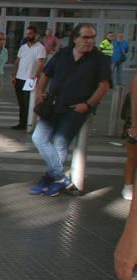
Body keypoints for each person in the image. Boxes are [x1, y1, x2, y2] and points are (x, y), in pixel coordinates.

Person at [29, 23, 110, 196]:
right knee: (39, 137)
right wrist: (40, 92)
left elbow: (104, 85)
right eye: (85, 37)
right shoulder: (63, 54)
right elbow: (46, 74)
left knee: (60, 143)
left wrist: (88, 105)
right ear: (75, 38)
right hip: (54, 105)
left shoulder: (99, 59)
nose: (89, 41)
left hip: (75, 109)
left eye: (92, 37)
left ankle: (48, 179)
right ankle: (60, 178)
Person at [11, 25, 47, 130]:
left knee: (28, 102)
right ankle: (21, 123)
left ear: (36, 35)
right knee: (21, 102)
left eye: (30, 33)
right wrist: (14, 75)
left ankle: (29, 123)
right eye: (27, 34)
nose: (28, 35)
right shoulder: (23, 47)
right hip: (19, 78)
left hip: (29, 79)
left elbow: (41, 64)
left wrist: (36, 76)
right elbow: (17, 61)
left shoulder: (40, 48)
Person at [122, 74, 137, 200]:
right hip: (135, 122)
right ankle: (128, 186)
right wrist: (134, 124)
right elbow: (134, 100)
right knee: (133, 157)